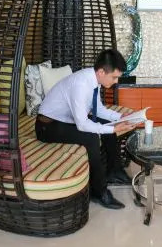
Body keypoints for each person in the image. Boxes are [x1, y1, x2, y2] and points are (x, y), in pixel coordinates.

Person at [35, 49, 134, 209]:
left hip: (66, 120)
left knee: (107, 124)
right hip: (47, 126)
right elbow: (82, 124)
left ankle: (114, 171)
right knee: (91, 137)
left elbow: (98, 109)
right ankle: (99, 192)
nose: (116, 81)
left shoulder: (93, 80)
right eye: (114, 77)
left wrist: (120, 117)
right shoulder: (81, 84)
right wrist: (113, 129)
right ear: (101, 72)